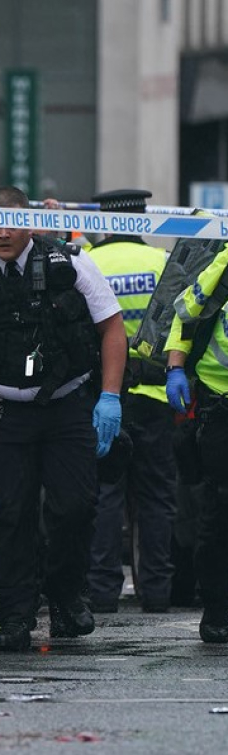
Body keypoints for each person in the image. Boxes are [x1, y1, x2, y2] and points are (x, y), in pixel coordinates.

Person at [0, 185, 126, 652]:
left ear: (30, 223)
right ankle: (16, 614)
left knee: (75, 506)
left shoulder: (69, 263)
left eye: (12, 224)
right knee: (10, 513)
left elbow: (111, 327)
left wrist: (110, 397)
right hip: (3, 411)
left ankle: (65, 596)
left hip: (66, 405)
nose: (3, 234)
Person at [85, 189, 176, 614]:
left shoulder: (89, 263)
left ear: (103, 221)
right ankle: (157, 592)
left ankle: (102, 592)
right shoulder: (162, 263)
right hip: (156, 395)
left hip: (104, 394)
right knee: (156, 497)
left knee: (105, 494)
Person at [164, 238, 228, 642]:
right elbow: (186, 313)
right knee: (219, 511)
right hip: (221, 405)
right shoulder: (224, 264)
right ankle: (218, 611)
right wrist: (175, 367)